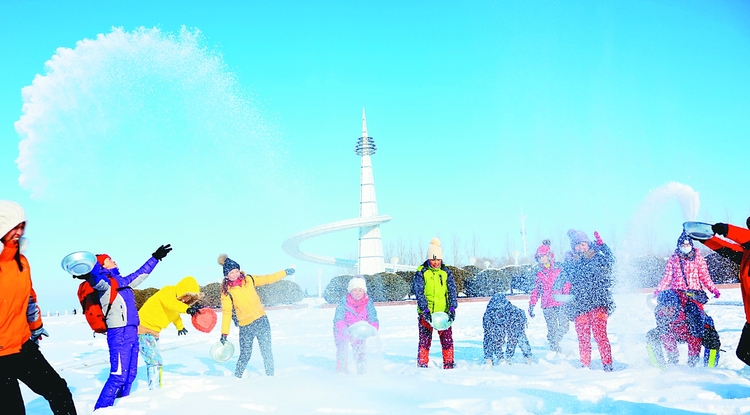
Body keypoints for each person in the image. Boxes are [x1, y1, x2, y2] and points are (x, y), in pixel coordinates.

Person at [0, 200, 77, 415]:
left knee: (59, 391)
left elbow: (29, 299)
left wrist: (35, 326)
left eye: (22, 225)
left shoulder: (22, 262)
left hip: (23, 345)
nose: (19, 231)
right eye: (14, 226)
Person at [73, 244, 172, 410]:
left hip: (132, 331)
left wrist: (155, 258)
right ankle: (101, 409)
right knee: (118, 376)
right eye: (109, 260)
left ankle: (120, 408)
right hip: (118, 333)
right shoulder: (104, 283)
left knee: (130, 375)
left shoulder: (122, 281)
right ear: (102, 265)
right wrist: (89, 273)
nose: (114, 260)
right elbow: (96, 279)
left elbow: (141, 274)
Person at [217, 254, 294, 378]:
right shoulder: (227, 292)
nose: (235, 274)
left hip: (261, 321)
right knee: (245, 355)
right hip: (245, 327)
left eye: (236, 271)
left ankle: (271, 377)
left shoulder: (249, 279)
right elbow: (227, 313)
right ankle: (237, 378)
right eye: (231, 272)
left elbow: (268, 279)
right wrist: (224, 333)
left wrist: (284, 273)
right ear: (226, 275)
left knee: (266, 352)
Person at [696, 218, 750, 365]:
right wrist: (705, 239)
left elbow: (746, 238)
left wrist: (727, 230)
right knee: (743, 353)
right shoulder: (747, 253)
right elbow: (726, 249)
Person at [563, 229, 616, 371]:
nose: (580, 247)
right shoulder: (572, 263)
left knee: (600, 335)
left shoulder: (597, 257)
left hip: (598, 303)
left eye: (583, 244)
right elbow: (566, 283)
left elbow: (612, 261)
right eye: (577, 245)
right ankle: (585, 364)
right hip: (580, 306)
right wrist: (567, 304)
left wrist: (603, 246)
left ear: (588, 244)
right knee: (583, 337)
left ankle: (607, 363)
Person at [137, 276, 204, 389]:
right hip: (142, 330)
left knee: (155, 361)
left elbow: (175, 316)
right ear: (182, 291)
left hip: (154, 333)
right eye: (187, 296)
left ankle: (157, 386)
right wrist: (186, 309)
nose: (187, 300)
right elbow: (171, 304)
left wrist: (180, 327)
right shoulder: (167, 292)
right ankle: (154, 389)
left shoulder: (177, 302)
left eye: (191, 298)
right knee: (155, 361)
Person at [655, 231, 719, 341]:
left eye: (688, 245)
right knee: (677, 317)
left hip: (694, 294)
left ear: (692, 246)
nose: (686, 247)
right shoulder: (673, 259)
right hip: (677, 294)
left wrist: (713, 289)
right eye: (683, 245)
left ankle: (697, 338)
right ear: (679, 246)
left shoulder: (699, 259)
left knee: (697, 316)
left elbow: (705, 276)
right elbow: (667, 277)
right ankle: (678, 337)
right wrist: (659, 290)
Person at [413, 237, 458, 369]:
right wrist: (425, 309)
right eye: (433, 259)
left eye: (438, 259)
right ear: (428, 259)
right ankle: (422, 363)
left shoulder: (445, 272)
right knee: (425, 340)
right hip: (426, 314)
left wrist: (452, 308)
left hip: (443, 314)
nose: (435, 262)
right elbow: (419, 292)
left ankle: (449, 363)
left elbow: (451, 291)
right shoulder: (422, 272)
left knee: (447, 340)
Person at [528, 239, 571, 353]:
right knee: (552, 328)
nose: (541, 259)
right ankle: (554, 347)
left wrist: (566, 297)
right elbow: (536, 290)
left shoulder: (559, 269)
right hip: (547, 305)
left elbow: (566, 284)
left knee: (564, 326)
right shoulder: (539, 273)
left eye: (543, 256)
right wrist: (532, 304)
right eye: (539, 257)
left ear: (549, 256)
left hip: (560, 302)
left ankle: (554, 339)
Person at [332, 277, 379, 374]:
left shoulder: (368, 303)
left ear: (364, 291)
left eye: (360, 290)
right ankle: (341, 371)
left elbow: (373, 317)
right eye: (354, 290)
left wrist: (373, 328)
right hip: (343, 331)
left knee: (360, 352)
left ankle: (361, 371)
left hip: (359, 331)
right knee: (342, 351)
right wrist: (344, 329)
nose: (357, 293)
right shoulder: (344, 302)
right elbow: (338, 319)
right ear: (350, 291)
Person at [646, 289, 702, 368]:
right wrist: (672, 357)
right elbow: (664, 333)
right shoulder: (659, 312)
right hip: (674, 334)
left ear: (676, 306)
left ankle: (709, 368)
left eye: (670, 307)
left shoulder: (689, 310)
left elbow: (695, 336)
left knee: (712, 338)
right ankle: (659, 366)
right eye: (664, 308)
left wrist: (692, 361)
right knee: (651, 335)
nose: (667, 311)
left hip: (690, 333)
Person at [483, 293, 533, 365]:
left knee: (520, 336)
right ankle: (489, 359)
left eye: (500, 312)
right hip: (493, 322)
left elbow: (513, 337)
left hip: (514, 320)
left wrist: (508, 355)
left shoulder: (515, 313)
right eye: (497, 312)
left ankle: (528, 357)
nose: (499, 314)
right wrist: (499, 356)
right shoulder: (489, 316)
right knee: (490, 337)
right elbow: (491, 337)